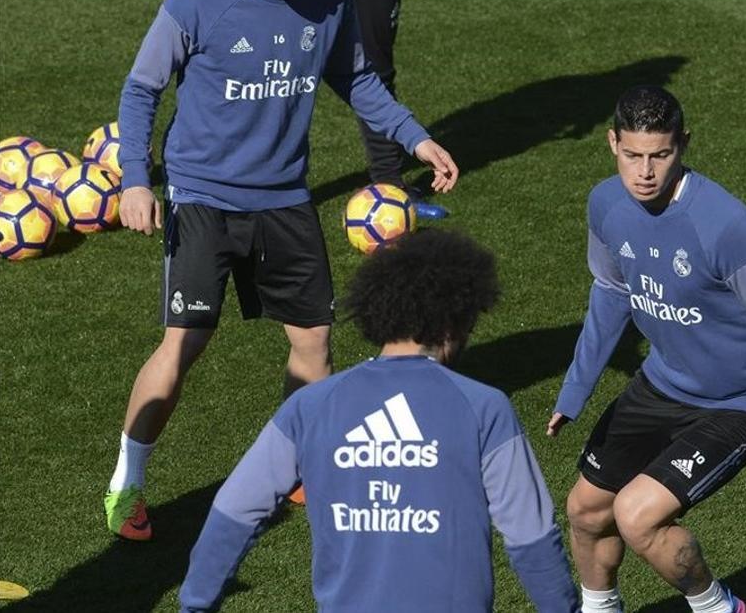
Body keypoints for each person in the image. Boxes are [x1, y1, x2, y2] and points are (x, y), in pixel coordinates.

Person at [105, 0, 460, 541]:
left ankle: (297, 466)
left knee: (315, 343)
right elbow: (142, 89)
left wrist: (415, 138)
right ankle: (128, 481)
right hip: (203, 196)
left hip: (284, 197)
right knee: (185, 342)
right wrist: (137, 182)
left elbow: (356, 78)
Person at [178, 229, 579, 612]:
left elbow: (235, 511)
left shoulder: (311, 406)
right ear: (452, 323)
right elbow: (531, 536)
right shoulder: (484, 407)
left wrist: (195, 605)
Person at [547, 86, 746, 613]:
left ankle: (718, 607)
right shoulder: (605, 204)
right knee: (586, 510)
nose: (645, 171)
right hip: (660, 383)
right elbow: (612, 293)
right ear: (612, 144)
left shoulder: (727, 226)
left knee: (637, 515)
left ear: (683, 145)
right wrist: (574, 389)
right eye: (633, 155)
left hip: (736, 401)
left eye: (660, 155)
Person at [220, 0, 443, 216]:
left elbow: (360, 80)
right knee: (267, 79)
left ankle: (391, 187)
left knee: (372, 73)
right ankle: (246, 189)